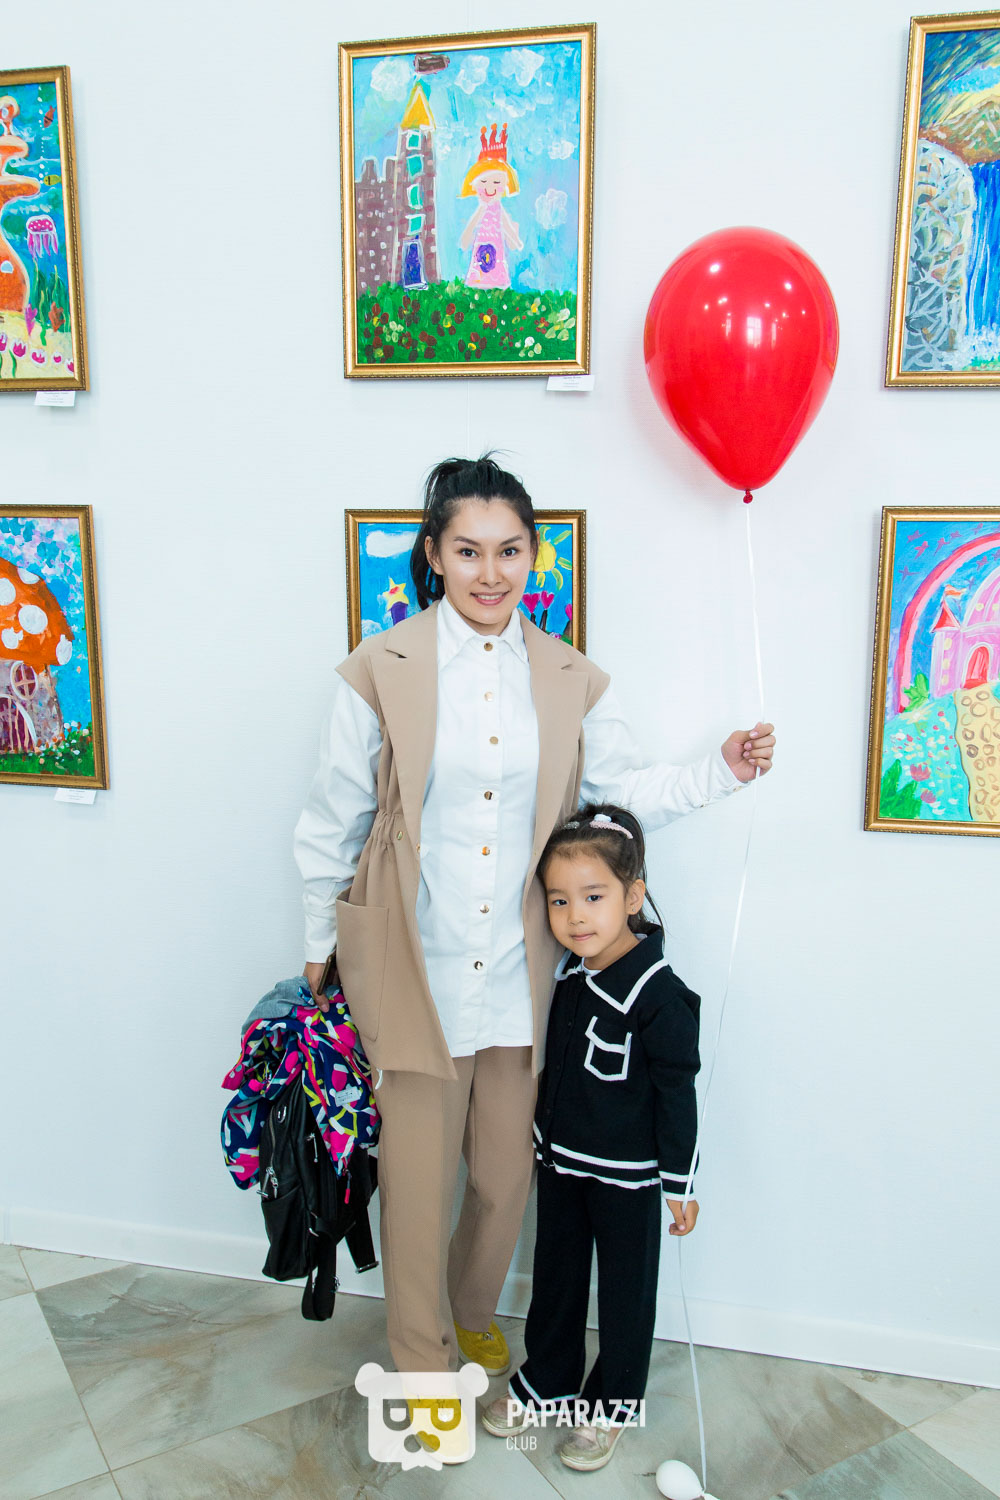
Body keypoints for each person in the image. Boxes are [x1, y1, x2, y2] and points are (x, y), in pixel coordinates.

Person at [293, 454, 774, 1384]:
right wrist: (321, 944)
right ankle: (423, 1369)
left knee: (506, 1179)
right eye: (468, 550)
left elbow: (622, 793)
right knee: (416, 1188)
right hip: (412, 968)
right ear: (434, 554)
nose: (490, 572)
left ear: (533, 555)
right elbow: (331, 819)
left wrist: (721, 770)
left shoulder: (571, 677)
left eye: (509, 550)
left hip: (523, 975)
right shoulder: (378, 669)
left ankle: (469, 1318)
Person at [482, 803, 700, 1472]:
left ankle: (612, 1405)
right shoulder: (569, 974)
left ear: (633, 897)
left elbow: (677, 1096)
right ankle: (547, 1380)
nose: (575, 916)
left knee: (627, 1293)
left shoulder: (660, 996)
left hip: (629, 1176)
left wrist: (680, 1184)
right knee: (556, 1277)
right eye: (559, 900)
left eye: (594, 897)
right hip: (562, 1163)